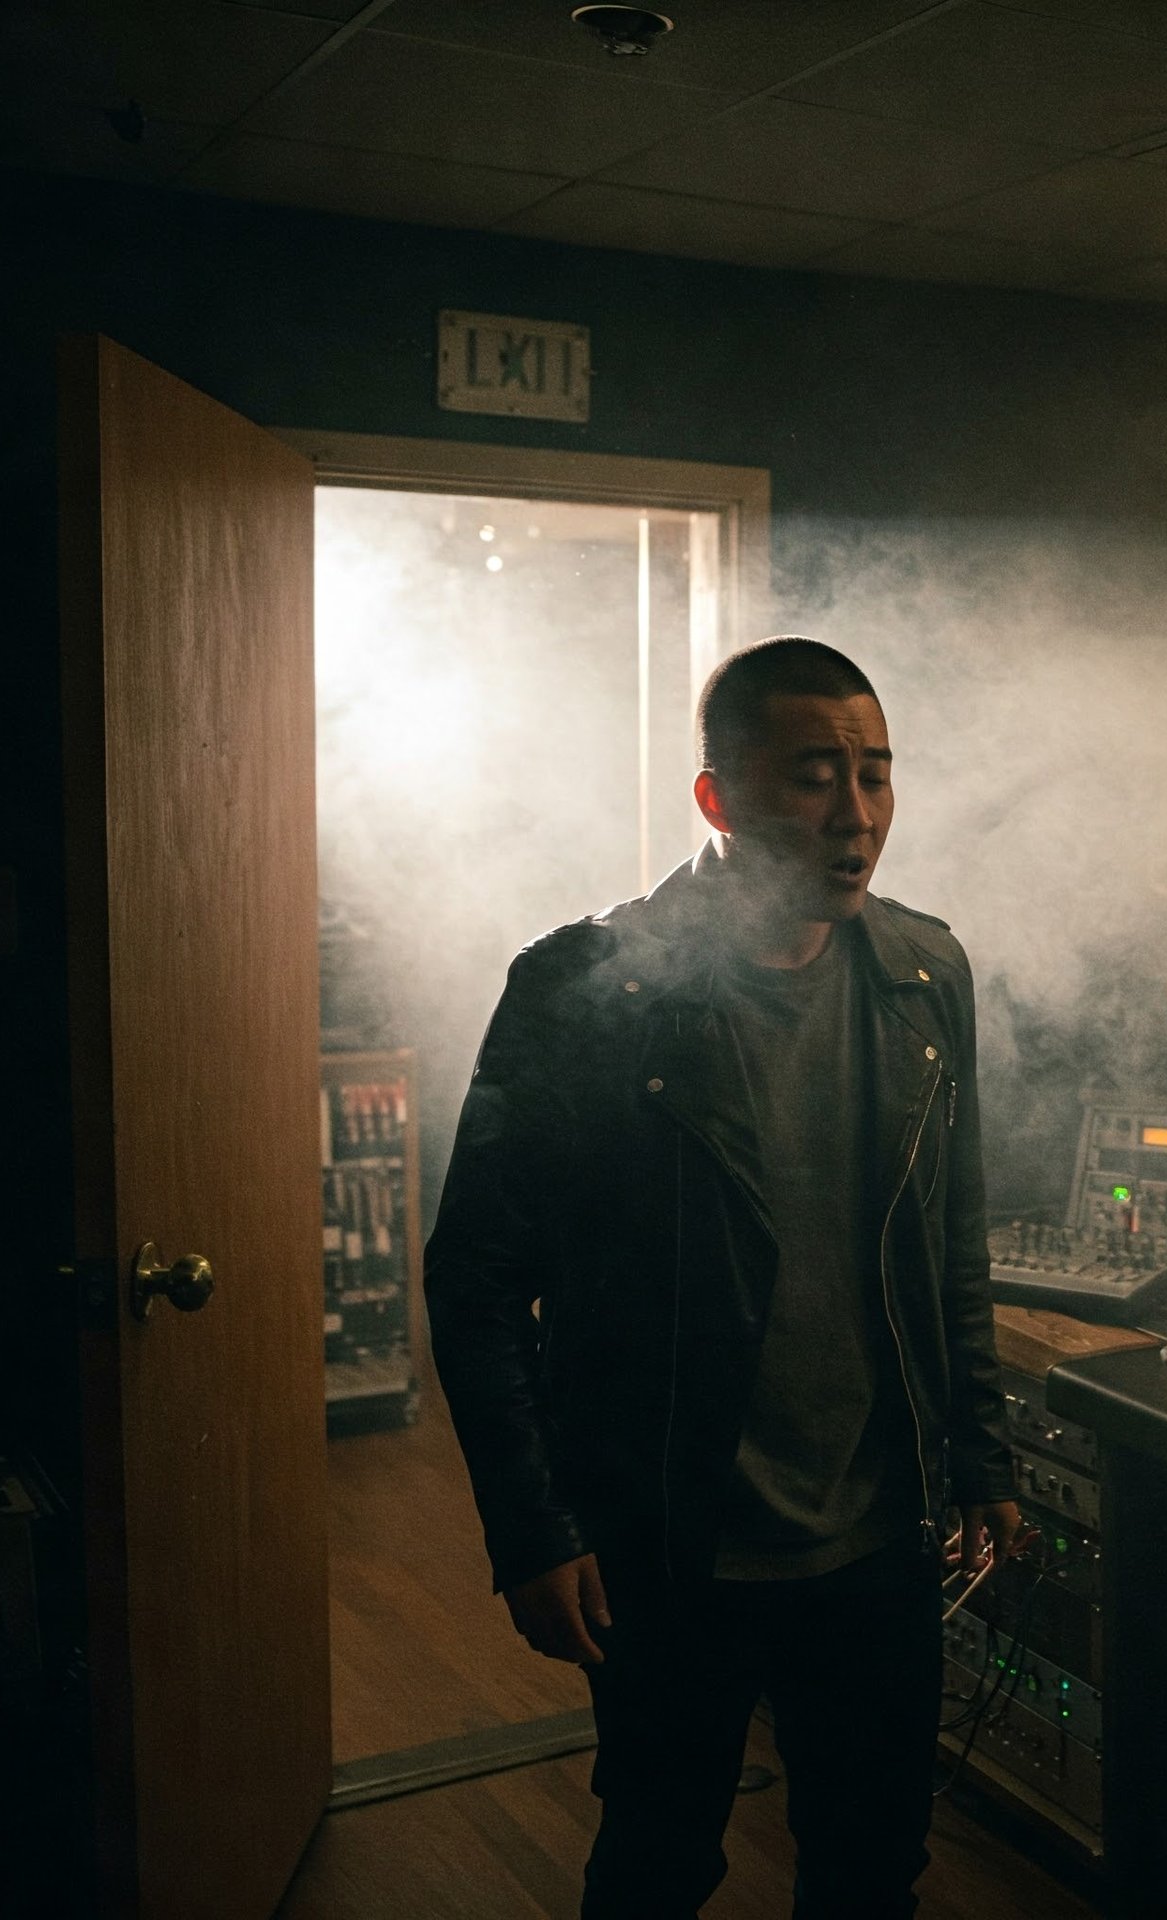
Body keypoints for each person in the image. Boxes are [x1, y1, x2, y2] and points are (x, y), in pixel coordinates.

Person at [424, 635, 1022, 1919]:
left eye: (876, 775)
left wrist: (983, 1457)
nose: (856, 817)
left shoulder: (926, 974)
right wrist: (532, 1530)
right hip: (669, 1536)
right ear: (718, 798)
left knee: (872, 1869)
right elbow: (475, 1282)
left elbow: (948, 1240)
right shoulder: (586, 988)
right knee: (656, 1860)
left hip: (877, 1536)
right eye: (814, 777)